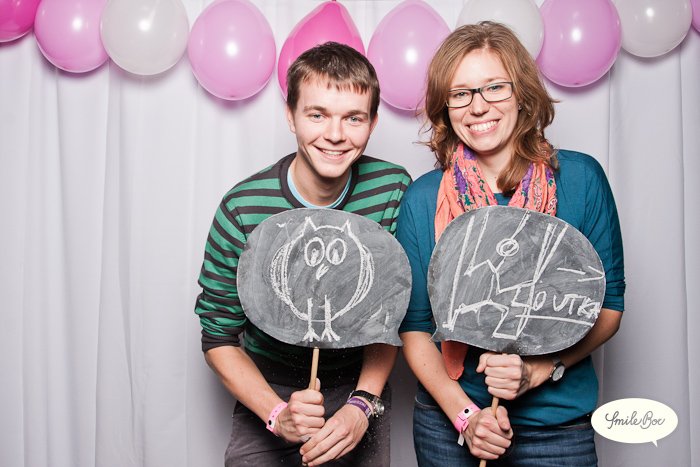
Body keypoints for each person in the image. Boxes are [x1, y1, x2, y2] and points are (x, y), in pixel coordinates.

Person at [397, 22, 625, 466]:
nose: (478, 105)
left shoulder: (581, 180)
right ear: (446, 106)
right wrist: (466, 418)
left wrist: (538, 371)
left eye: (495, 87)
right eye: (461, 93)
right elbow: (416, 327)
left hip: (556, 430)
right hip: (450, 428)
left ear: (521, 93)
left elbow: (609, 306)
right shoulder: (423, 199)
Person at [194, 42, 411, 466]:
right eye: (317, 115)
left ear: (373, 122)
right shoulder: (243, 208)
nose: (335, 135)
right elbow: (218, 337)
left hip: (359, 385)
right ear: (290, 116)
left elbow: (393, 313)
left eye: (353, 118)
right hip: (267, 387)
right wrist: (276, 415)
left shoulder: (392, 190)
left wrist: (362, 404)